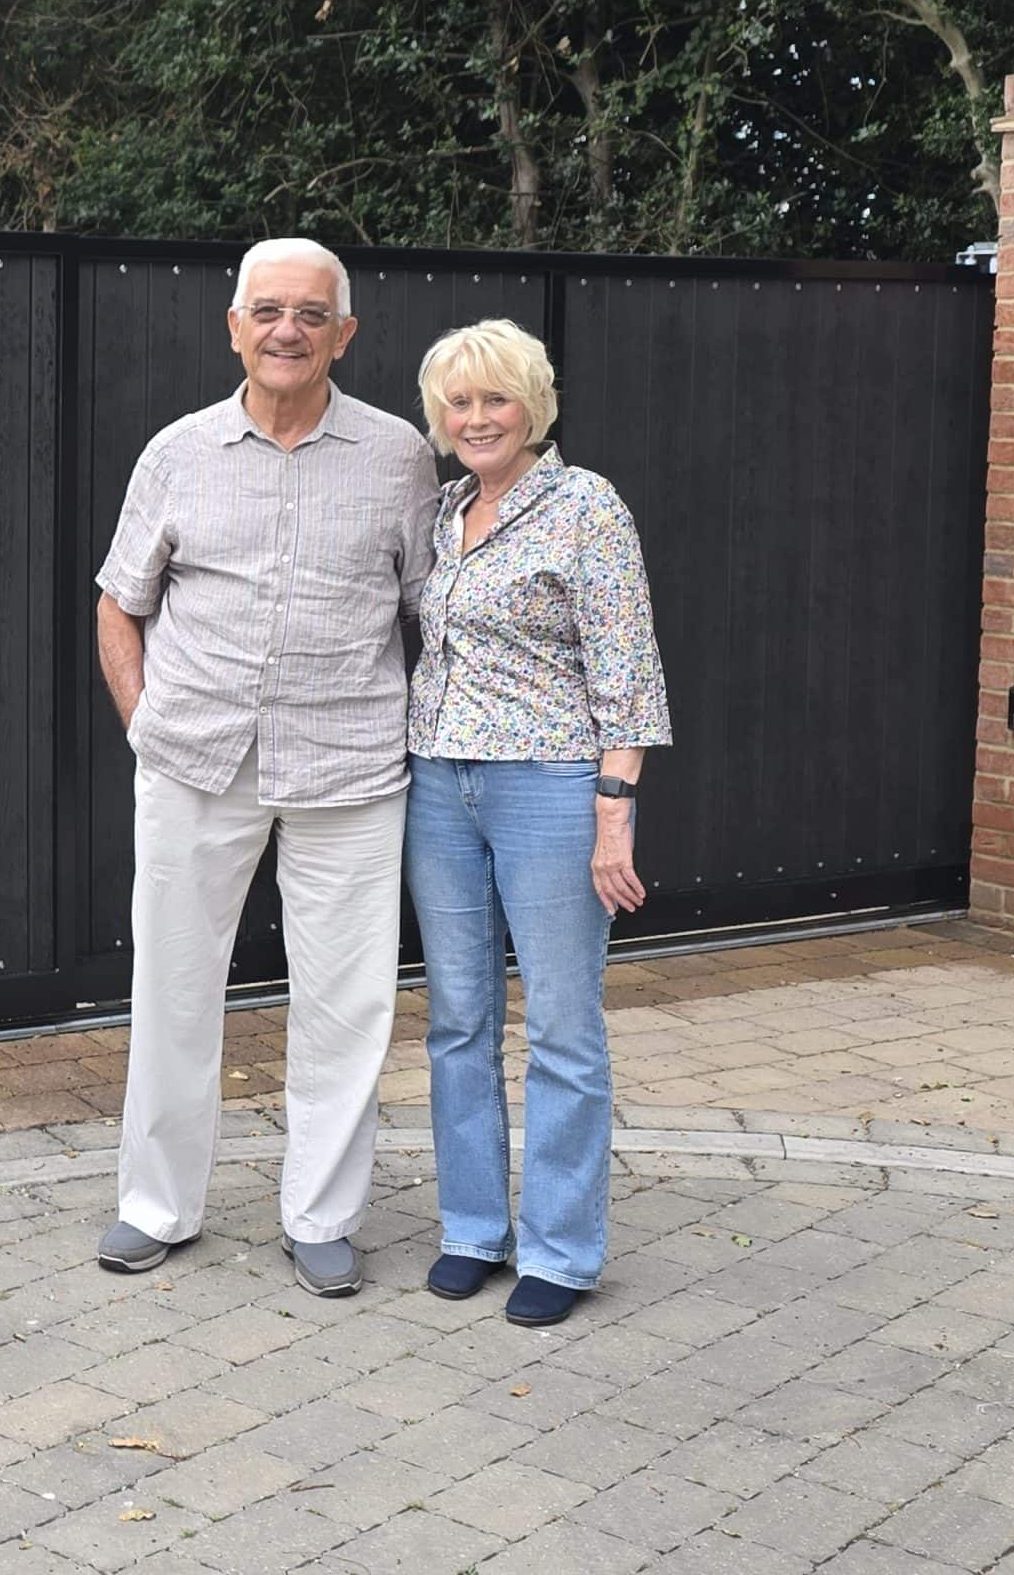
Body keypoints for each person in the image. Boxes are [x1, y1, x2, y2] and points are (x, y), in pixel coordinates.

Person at [93, 237, 438, 1297]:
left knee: (345, 1000)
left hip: (350, 771)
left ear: (344, 334)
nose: (287, 330)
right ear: (233, 326)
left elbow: (433, 611)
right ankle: (156, 1206)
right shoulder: (176, 454)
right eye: (267, 310)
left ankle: (323, 1215)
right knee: (174, 986)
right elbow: (120, 602)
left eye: (310, 313)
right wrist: (145, 724)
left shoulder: (399, 457)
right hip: (195, 762)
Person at [404, 318, 671, 1327]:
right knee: (458, 1020)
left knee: (562, 1023)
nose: (476, 418)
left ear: (533, 405)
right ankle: (473, 1227)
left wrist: (614, 811)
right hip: (439, 785)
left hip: (550, 787)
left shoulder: (584, 507)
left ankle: (561, 1247)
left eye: (494, 398)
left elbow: (628, 666)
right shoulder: (444, 511)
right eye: (458, 403)